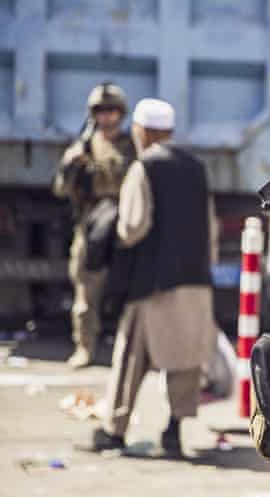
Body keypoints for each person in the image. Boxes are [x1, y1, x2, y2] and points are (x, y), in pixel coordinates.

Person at [85, 98, 216, 456]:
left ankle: (114, 429)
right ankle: (174, 431)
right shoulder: (197, 168)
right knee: (185, 360)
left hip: (154, 284)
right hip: (195, 281)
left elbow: (133, 227)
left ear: (143, 131)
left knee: (131, 356)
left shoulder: (145, 167)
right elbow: (210, 228)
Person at [52, 83, 137, 369]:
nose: (107, 116)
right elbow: (61, 189)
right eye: (101, 110)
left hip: (125, 222)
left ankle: (130, 351)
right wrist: (70, 165)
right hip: (92, 224)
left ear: (121, 113)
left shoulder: (132, 146)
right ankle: (85, 347)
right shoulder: (83, 146)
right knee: (86, 289)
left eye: (112, 110)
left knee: (130, 290)